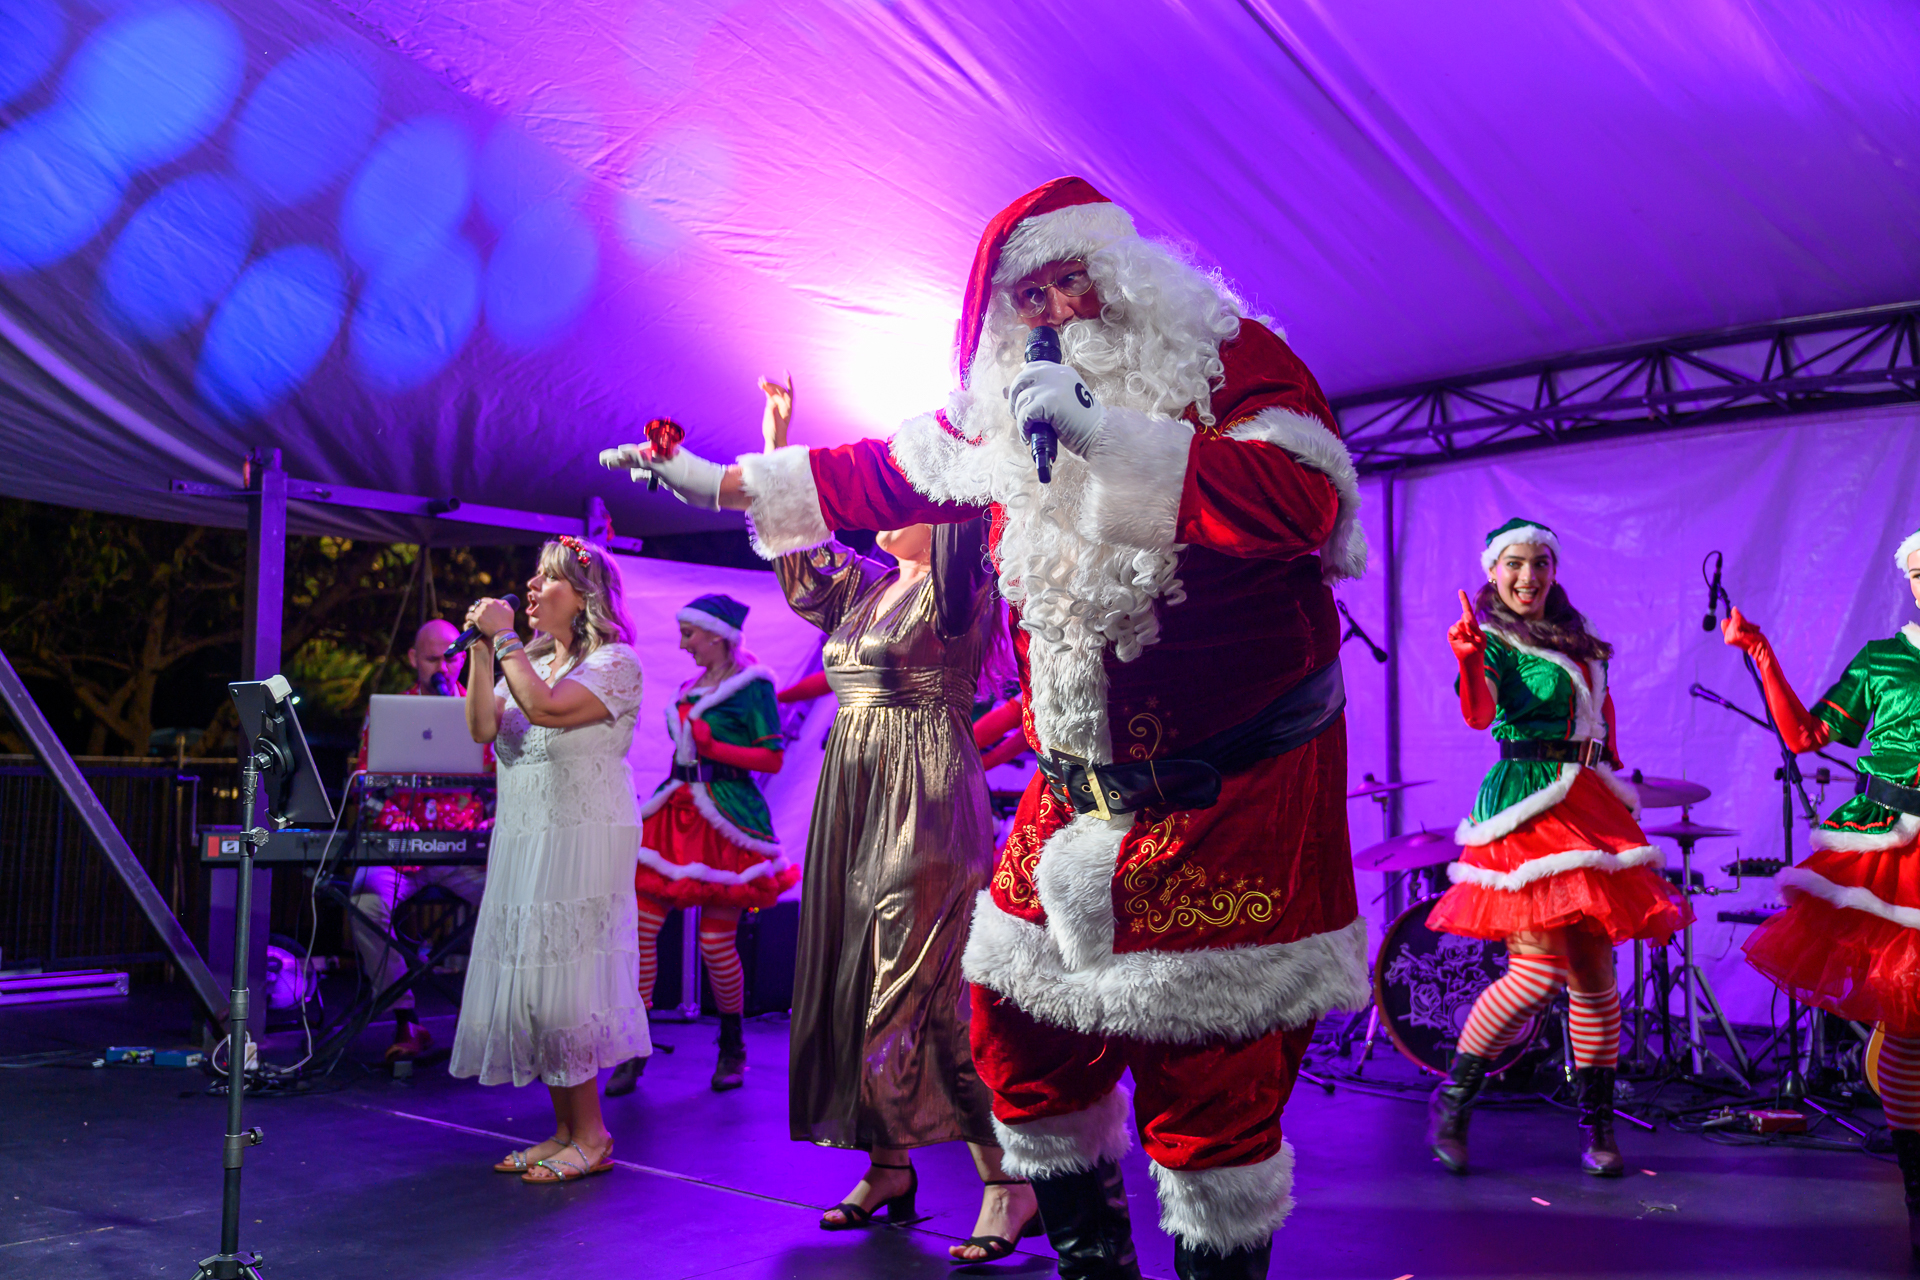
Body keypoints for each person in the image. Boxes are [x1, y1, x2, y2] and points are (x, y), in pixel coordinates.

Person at [606, 177, 1370, 1280]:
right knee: (1017, 1044)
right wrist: (722, 479)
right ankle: (1092, 1263)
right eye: (1033, 296)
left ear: (1125, 270)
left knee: (1215, 1087)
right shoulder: (1003, 409)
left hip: (1232, 789)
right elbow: (882, 468)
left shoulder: (1230, 357)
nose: (1060, 307)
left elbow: (1305, 503)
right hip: (1075, 794)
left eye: (1075, 277)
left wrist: (1109, 437)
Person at [758, 378, 1037, 1264]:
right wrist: (777, 435)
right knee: (849, 966)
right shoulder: (864, 589)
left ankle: (1007, 1181)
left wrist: (962, 438)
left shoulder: (956, 590)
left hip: (924, 785)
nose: (885, 505)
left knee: (924, 976)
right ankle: (888, 1166)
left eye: (906, 493)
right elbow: (800, 550)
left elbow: (961, 509)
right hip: (855, 786)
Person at [1426, 518, 1691, 1177]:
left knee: (1596, 976)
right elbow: (1481, 714)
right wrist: (1465, 658)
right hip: (1528, 800)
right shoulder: (1489, 637)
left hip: (1589, 798)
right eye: (1514, 563)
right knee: (1536, 973)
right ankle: (1454, 1100)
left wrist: (1619, 772)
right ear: (1493, 572)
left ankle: (1598, 1128)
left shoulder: (1576, 639)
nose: (1528, 576)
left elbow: (1601, 715)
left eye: (1540, 563)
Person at [1720, 531, 1920, 1255]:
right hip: (1892, 847)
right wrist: (1760, 652)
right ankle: (1916, 1191)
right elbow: (1806, 736)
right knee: (1908, 1022)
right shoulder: (1883, 660)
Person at [452, 535, 651, 1184]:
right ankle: (565, 1128)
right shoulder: (527, 658)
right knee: (538, 993)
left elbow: (545, 709)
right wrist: (485, 650)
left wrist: (504, 640)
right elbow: (484, 728)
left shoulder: (616, 664)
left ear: (586, 595)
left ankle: (593, 1136)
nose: (531, 588)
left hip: (584, 838)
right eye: (531, 577)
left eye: (548, 579)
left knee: (568, 989)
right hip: (527, 834)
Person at [606, 593, 795, 1096]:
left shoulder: (753, 686)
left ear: (718, 635)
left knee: (715, 942)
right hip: (676, 811)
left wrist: (716, 748)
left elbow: (771, 758)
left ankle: (732, 1046)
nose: (682, 643)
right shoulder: (692, 686)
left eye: (690, 633)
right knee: (642, 929)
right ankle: (634, 1046)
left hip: (726, 817)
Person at [349, 617, 489, 1060]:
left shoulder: (484, 711)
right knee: (364, 904)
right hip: (399, 851)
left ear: (464, 658)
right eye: (433, 659)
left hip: (464, 848)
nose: (443, 667)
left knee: (515, 898)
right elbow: (368, 783)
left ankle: (491, 1018)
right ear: (413, 659)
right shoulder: (388, 712)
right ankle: (405, 1019)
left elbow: (501, 785)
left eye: (451, 658)